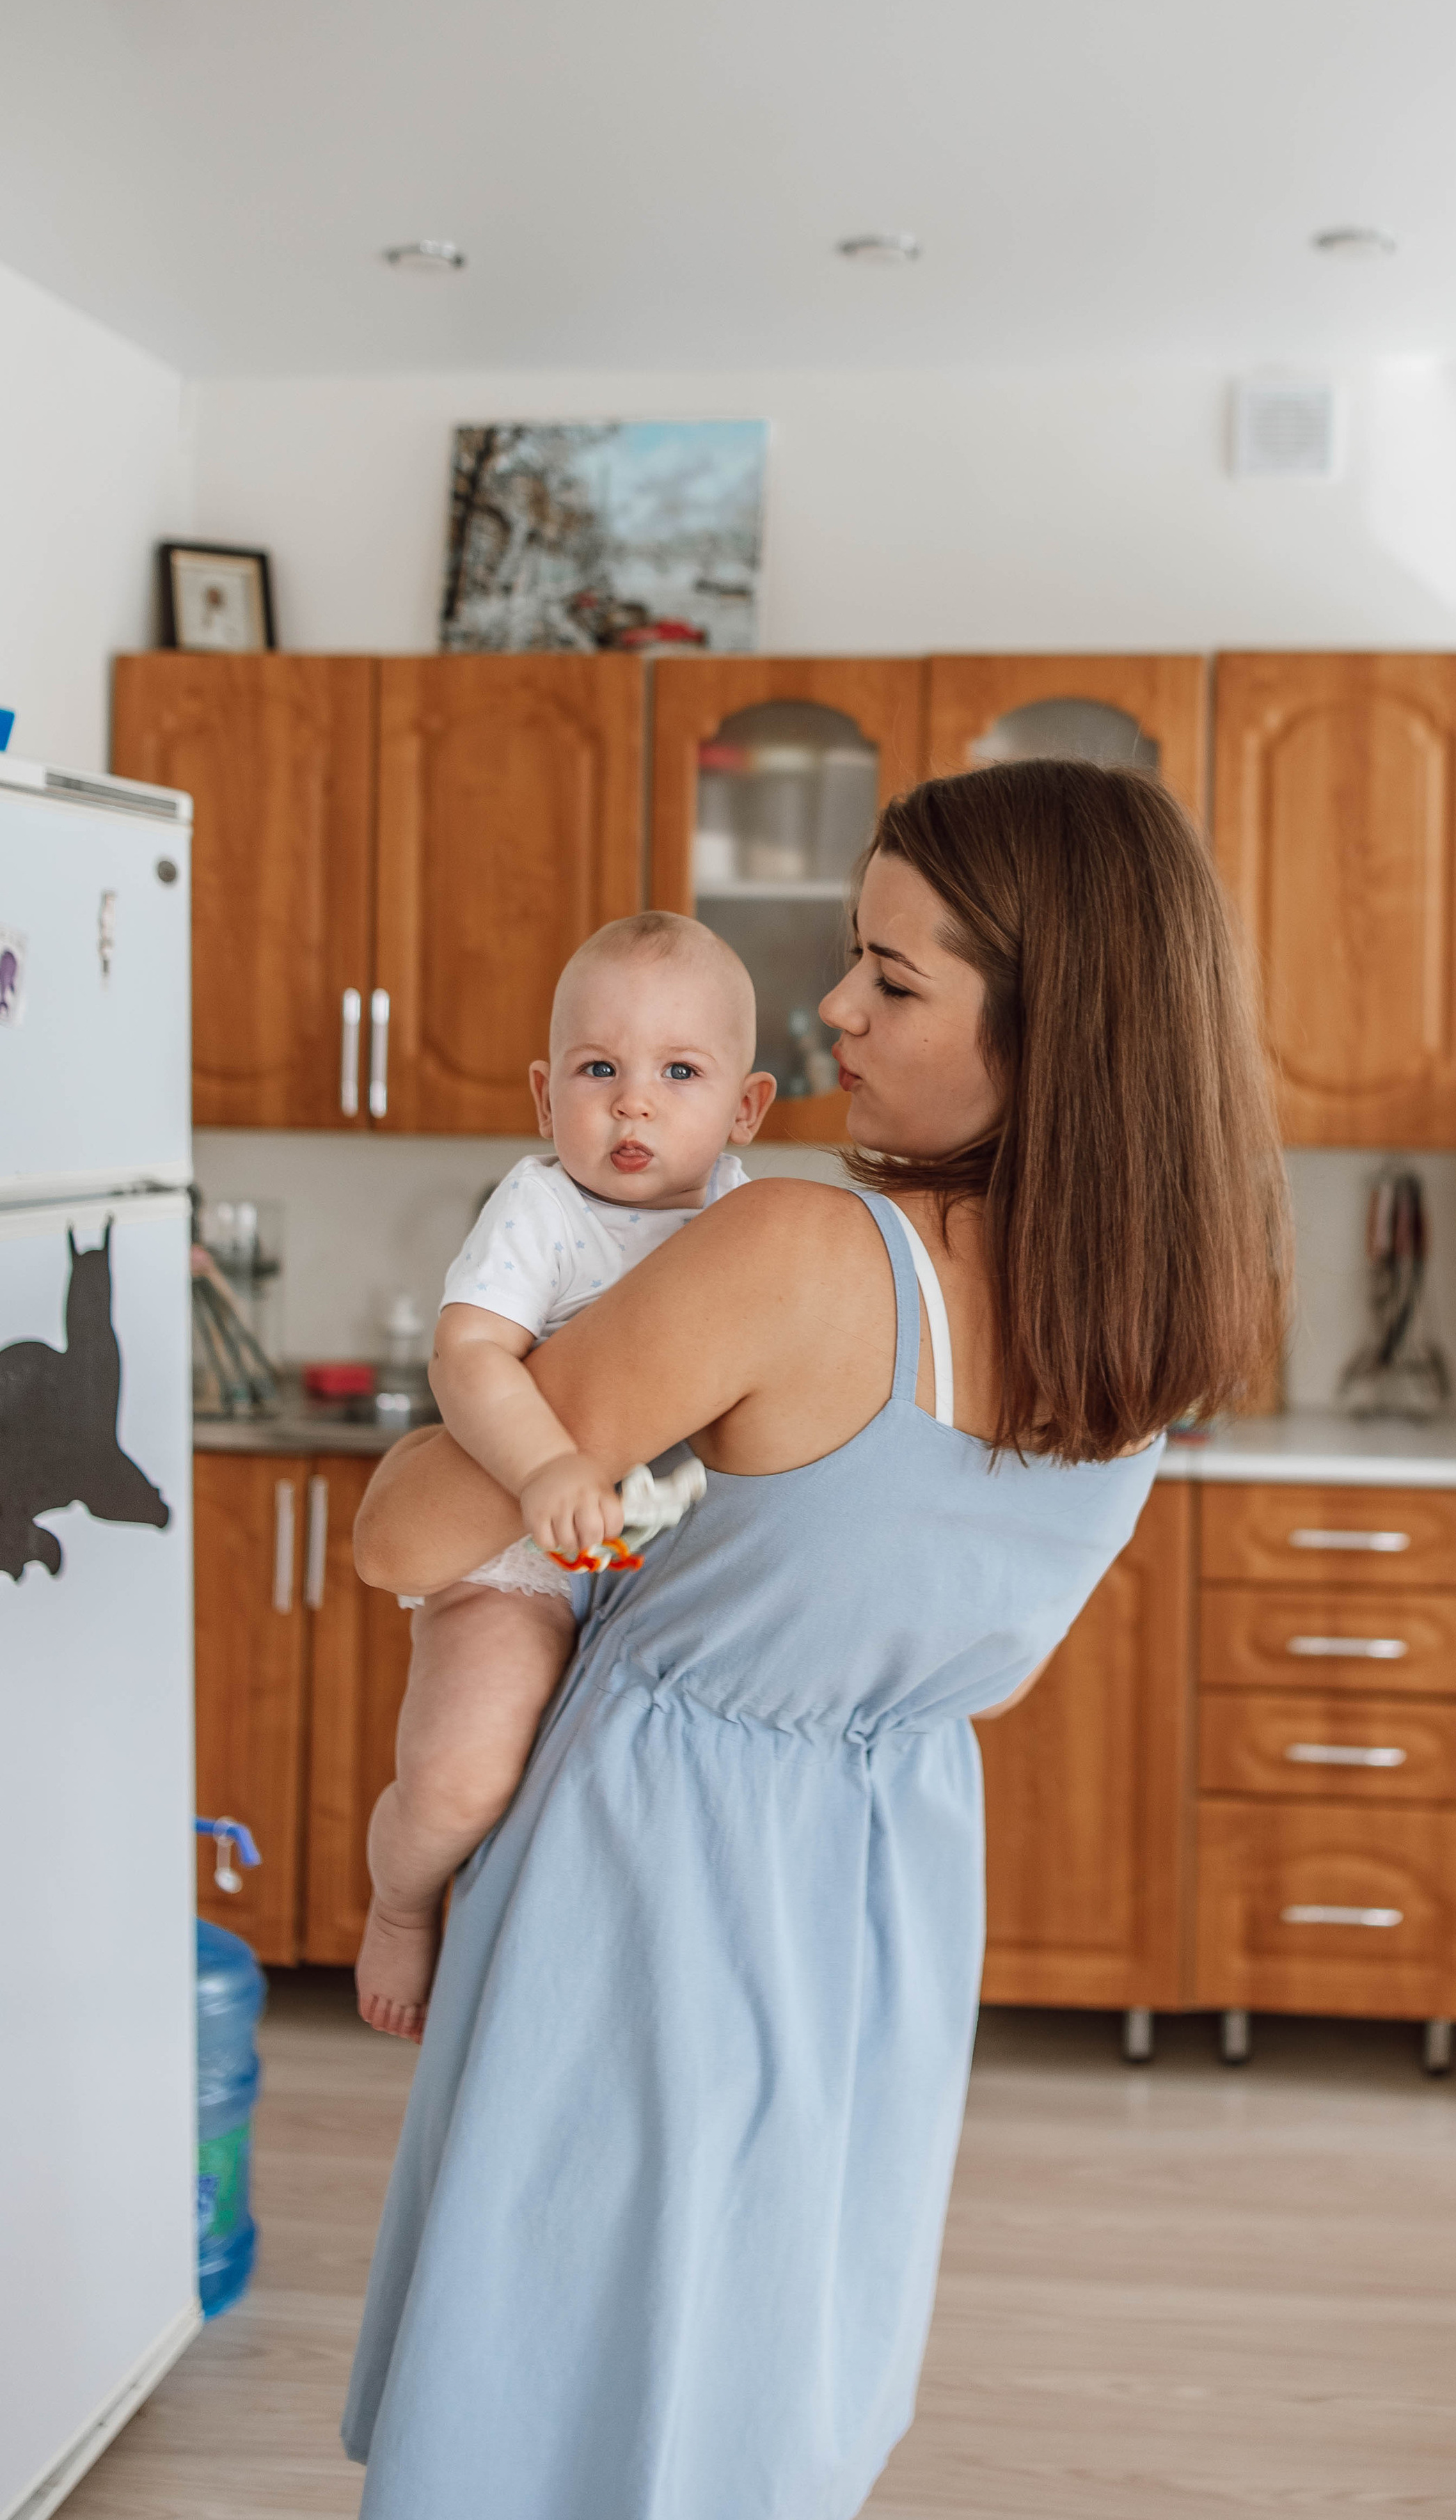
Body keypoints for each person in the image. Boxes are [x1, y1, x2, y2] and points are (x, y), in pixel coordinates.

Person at [342, 759, 1287, 2520]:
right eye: (852, 956)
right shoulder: (1152, 1323)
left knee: (544, 2368)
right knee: (755, 2362)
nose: (833, 1006)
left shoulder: (792, 1248)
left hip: (648, 1868)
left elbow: (402, 1533)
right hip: (883, 1886)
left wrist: (484, 1405)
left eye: (894, 979)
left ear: (1050, 1029)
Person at [356, 912, 775, 2040]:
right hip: (517, 1563)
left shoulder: (752, 1223)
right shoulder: (540, 1209)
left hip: (666, 1565)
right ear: (546, 1099)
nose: (633, 1102)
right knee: (461, 1778)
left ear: (746, 1109)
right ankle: (400, 1899)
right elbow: (471, 1353)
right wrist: (543, 1465)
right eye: (600, 1070)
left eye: (678, 1072)